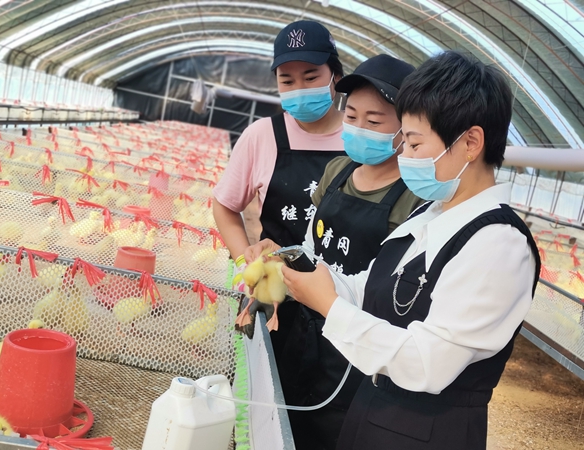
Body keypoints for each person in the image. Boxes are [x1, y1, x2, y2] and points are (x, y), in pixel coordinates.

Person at [280, 51, 541, 450]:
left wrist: (329, 307)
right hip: (372, 415)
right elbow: (369, 289)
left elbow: (427, 363)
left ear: (471, 142)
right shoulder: (429, 214)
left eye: (416, 143)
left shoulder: (499, 244)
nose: (404, 155)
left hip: (427, 434)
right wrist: (313, 280)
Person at [244, 55, 423, 450]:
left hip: (355, 347)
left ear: (406, 130)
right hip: (306, 331)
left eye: (374, 122)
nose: (358, 129)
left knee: (331, 433)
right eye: (352, 116)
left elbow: (391, 291)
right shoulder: (337, 171)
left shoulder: (414, 198)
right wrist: (281, 259)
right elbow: (313, 247)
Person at [212, 19, 346, 433]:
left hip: (340, 306)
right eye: (287, 80)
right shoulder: (262, 136)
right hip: (275, 304)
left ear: (335, 76)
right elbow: (224, 205)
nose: (299, 88)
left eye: (311, 76)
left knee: (326, 423)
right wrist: (246, 262)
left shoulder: (361, 141)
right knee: (265, 413)